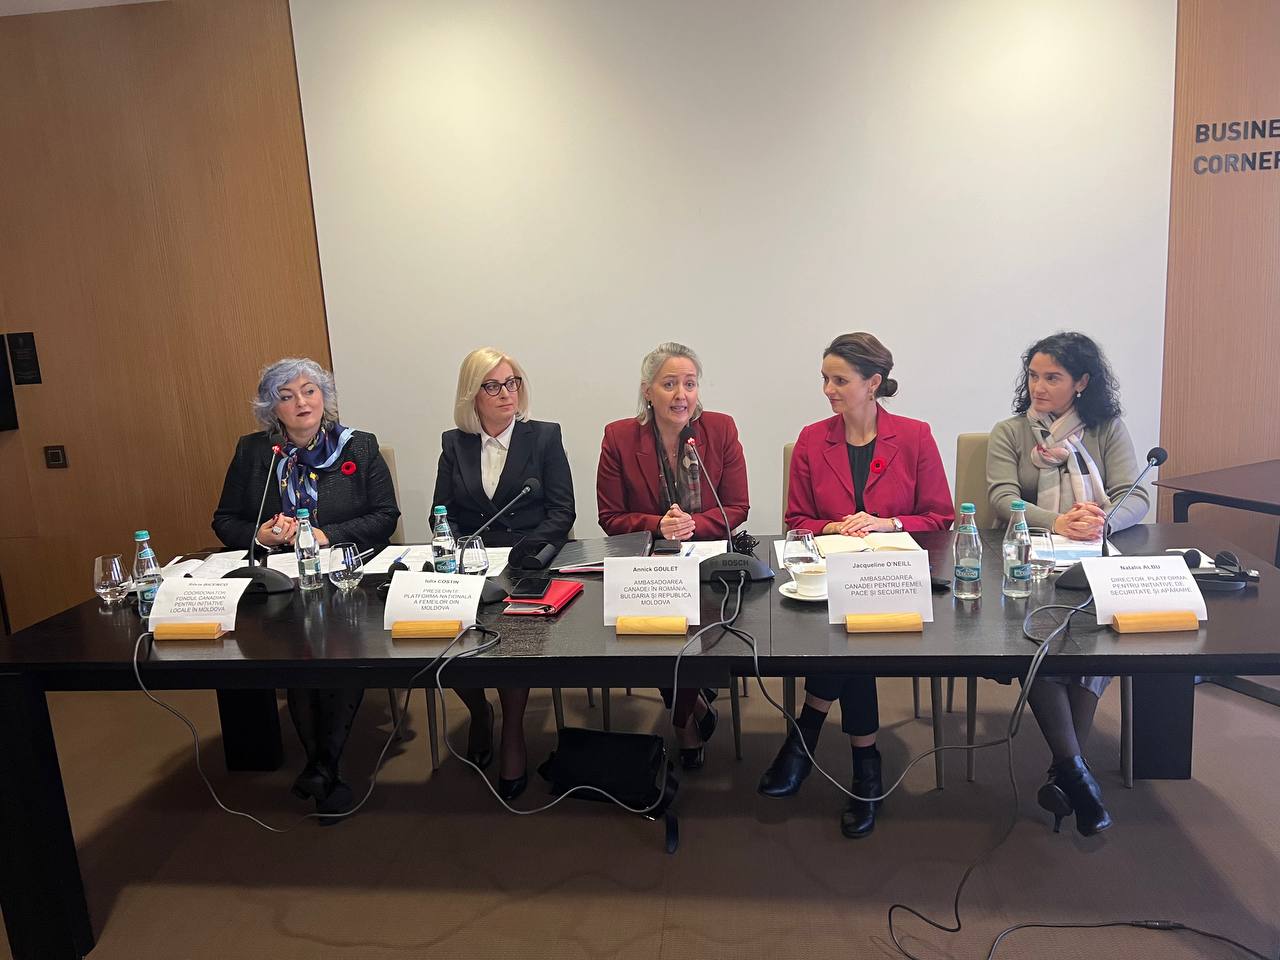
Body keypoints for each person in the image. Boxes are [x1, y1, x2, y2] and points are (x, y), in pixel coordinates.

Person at [759, 332, 953, 838]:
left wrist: (886, 523)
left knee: (850, 629)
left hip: (896, 578)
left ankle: (806, 735)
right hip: (831, 576)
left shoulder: (914, 436)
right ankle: (866, 766)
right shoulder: (811, 439)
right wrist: (834, 526)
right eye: (825, 378)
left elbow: (940, 517)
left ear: (873, 383)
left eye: (839, 380)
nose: (828, 389)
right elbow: (796, 520)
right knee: (849, 626)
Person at [212, 357, 400, 822]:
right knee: (300, 654)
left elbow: (385, 517)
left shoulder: (358, 445)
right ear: (271, 408)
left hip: (347, 580)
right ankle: (324, 769)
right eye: (287, 395)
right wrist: (260, 535)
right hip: (282, 585)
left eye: (309, 391)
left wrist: (325, 534)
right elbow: (225, 520)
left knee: (337, 649)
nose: (301, 402)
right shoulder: (254, 452)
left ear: (324, 397)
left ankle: (322, 767)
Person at [987, 331, 1145, 836]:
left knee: (1098, 639)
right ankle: (1076, 774)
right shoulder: (1011, 432)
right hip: (1028, 563)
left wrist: (1099, 522)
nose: (1038, 386)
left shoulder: (1107, 429)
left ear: (1081, 382)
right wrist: (1056, 521)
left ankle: (1069, 772)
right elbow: (1002, 498)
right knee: (1036, 640)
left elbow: (1134, 495)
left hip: (1093, 558)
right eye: (1033, 376)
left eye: (1052, 377)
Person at [596, 341, 749, 769]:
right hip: (648, 564)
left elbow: (738, 507)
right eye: (669, 384)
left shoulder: (720, 429)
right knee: (658, 631)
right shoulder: (619, 437)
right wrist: (658, 525)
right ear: (648, 391)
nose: (681, 395)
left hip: (707, 561)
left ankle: (682, 721)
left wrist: (693, 524)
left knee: (695, 627)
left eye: (690, 384)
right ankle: (693, 708)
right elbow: (610, 517)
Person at [432, 347, 575, 801]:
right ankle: (479, 710)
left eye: (512, 382)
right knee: (446, 628)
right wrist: (461, 548)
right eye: (492, 386)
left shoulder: (544, 437)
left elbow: (562, 512)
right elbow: (441, 514)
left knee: (513, 636)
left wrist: (522, 552)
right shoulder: (454, 444)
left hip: (528, 562)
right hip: (473, 563)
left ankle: (513, 729)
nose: (505, 393)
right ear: (472, 395)